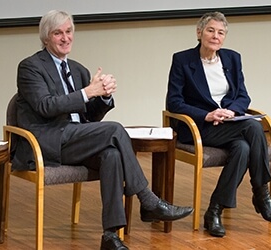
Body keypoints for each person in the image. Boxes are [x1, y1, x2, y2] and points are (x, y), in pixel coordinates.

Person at [13, 10, 193, 250]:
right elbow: (45, 106)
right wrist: (88, 92)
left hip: (77, 138)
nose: (65, 38)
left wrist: (104, 97)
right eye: (58, 33)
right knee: (116, 130)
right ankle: (148, 200)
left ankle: (110, 236)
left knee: (112, 154)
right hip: (48, 142)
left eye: (69, 32)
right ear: (46, 38)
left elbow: (89, 117)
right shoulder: (30, 67)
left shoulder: (77, 69)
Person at [165, 11, 271, 238]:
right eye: (210, 30)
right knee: (254, 127)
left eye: (220, 32)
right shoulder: (183, 60)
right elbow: (174, 101)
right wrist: (207, 115)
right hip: (199, 127)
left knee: (243, 148)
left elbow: (243, 96)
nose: (215, 36)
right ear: (199, 32)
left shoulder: (232, 58)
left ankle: (214, 211)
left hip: (229, 124)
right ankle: (262, 194)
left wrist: (232, 111)